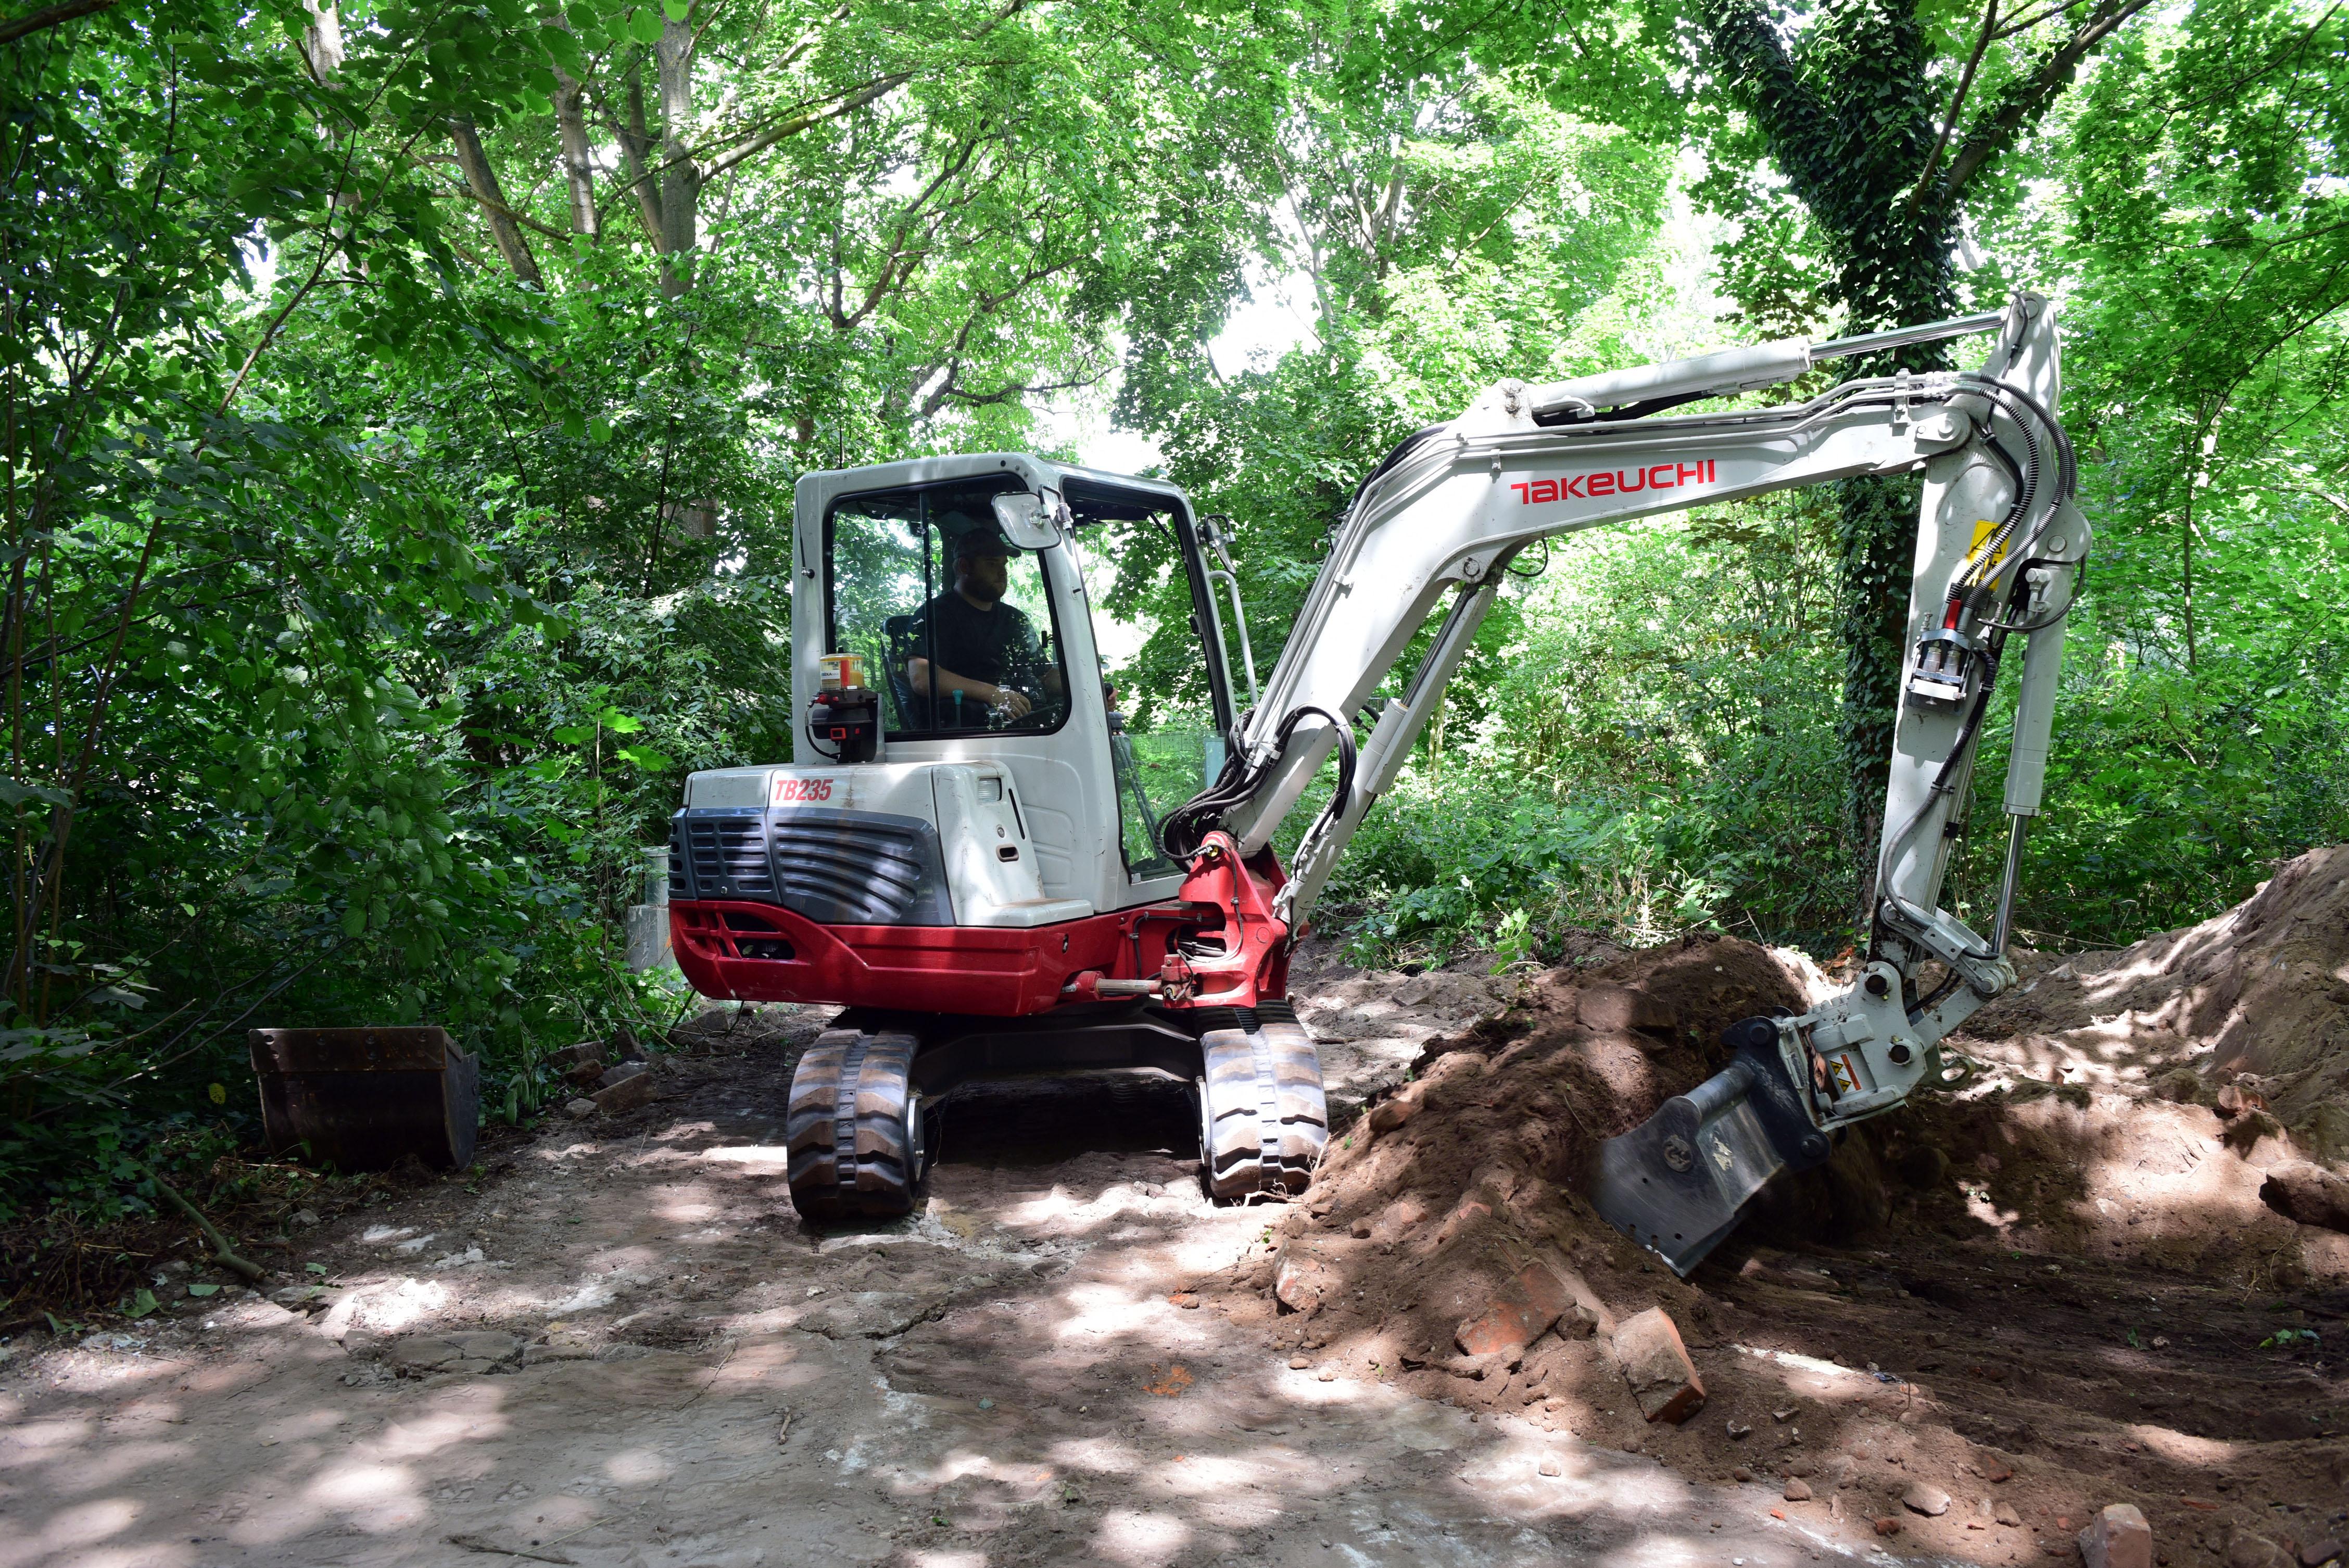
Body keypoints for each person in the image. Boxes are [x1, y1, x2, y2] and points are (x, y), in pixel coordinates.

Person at [902, 516, 1063, 728]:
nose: (1003, 572)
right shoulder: (936, 615)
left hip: (1035, 726)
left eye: (1004, 564)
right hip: (974, 734)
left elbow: (1044, 675)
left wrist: (1090, 689)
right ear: (965, 566)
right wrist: (993, 694)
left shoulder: (1014, 619)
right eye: (992, 563)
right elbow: (922, 677)